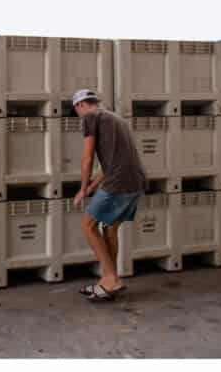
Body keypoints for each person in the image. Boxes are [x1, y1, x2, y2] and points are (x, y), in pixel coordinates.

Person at [72, 88, 146, 303]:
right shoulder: (115, 118)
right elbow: (109, 162)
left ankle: (111, 278)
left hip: (119, 182)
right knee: (109, 227)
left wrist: (83, 188)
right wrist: (93, 187)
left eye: (76, 109)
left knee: (88, 224)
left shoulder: (90, 117)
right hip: (136, 181)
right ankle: (108, 279)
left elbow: (87, 158)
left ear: (80, 105)